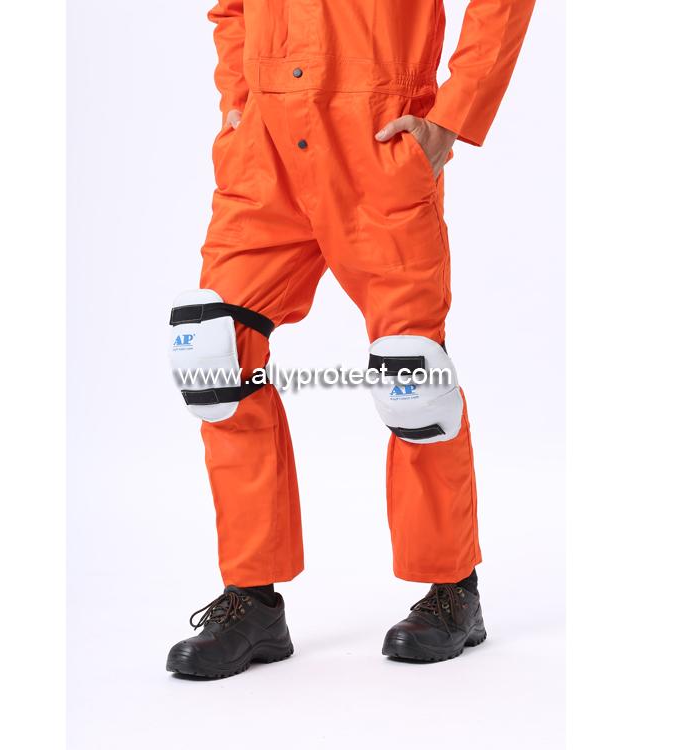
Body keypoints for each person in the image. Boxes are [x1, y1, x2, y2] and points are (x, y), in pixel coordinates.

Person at [166, 0, 535, 678]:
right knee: (214, 356)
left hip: (378, 141)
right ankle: (252, 600)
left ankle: (454, 590)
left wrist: (452, 117)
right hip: (265, 153)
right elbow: (231, 9)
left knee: (411, 378)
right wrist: (239, 101)